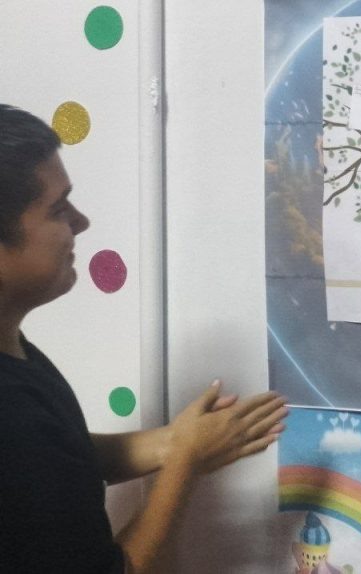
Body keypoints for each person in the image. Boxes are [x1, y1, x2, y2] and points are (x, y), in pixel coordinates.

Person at [0, 104, 289, 573]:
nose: (81, 222)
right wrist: (185, 462)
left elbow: (57, 455)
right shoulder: (10, 415)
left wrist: (173, 442)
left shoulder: (13, 349)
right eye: (58, 209)